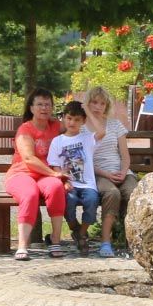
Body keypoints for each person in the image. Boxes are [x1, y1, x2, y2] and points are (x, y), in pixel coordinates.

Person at [5, 88, 70, 261]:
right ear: (31, 108)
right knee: (30, 193)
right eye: (40, 104)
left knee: (56, 188)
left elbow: (77, 123)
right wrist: (54, 173)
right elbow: (28, 158)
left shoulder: (55, 126)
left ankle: (55, 240)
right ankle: (22, 245)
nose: (44, 108)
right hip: (21, 174)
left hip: (45, 176)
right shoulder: (25, 129)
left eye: (48, 104)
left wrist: (93, 110)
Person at [84, 86, 136, 258]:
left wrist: (123, 171)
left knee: (133, 193)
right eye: (94, 102)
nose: (98, 107)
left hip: (121, 171)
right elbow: (85, 161)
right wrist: (106, 174)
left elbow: (125, 155)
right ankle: (106, 241)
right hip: (98, 173)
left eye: (102, 103)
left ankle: (133, 241)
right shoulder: (82, 128)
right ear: (87, 103)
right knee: (112, 193)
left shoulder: (115, 125)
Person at [50, 101, 100, 256]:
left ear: (83, 121)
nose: (72, 122)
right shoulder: (57, 141)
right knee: (69, 201)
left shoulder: (87, 138)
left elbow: (102, 131)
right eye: (69, 118)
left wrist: (88, 111)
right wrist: (63, 181)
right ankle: (75, 229)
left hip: (87, 184)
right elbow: (54, 165)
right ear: (64, 118)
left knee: (92, 200)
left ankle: (82, 234)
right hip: (68, 184)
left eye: (77, 119)